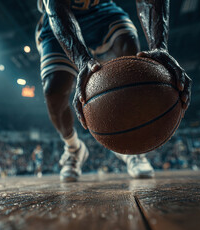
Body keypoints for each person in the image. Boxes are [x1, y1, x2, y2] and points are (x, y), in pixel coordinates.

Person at [35, 0, 191, 182]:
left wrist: (159, 47)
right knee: (53, 90)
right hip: (58, 13)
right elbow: (56, 7)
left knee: (130, 52)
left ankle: (132, 145)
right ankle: (73, 148)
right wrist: (81, 60)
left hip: (101, 11)